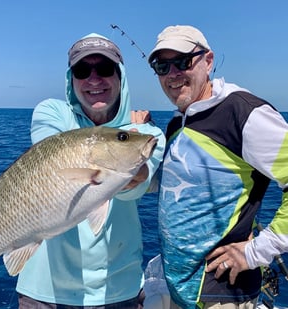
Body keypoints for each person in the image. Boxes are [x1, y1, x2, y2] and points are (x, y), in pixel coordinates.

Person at [15, 33, 165, 309]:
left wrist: (134, 168)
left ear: (121, 76)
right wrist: (107, 159)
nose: (94, 79)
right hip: (43, 294)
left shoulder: (148, 134)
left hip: (118, 294)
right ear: (71, 80)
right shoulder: (52, 112)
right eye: (83, 70)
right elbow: (50, 157)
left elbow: (131, 192)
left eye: (105, 69)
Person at [148, 25, 288, 309]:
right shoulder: (178, 123)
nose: (173, 73)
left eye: (183, 62)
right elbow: (169, 186)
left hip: (222, 295)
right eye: (162, 66)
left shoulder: (243, 113)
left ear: (208, 61)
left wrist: (256, 252)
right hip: (182, 292)